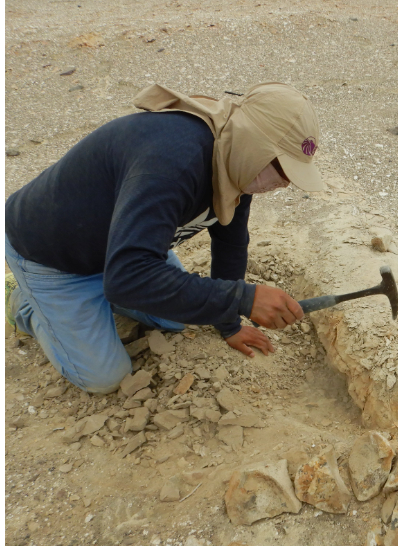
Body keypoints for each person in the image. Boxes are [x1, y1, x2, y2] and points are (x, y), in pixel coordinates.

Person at [5, 82, 325, 394]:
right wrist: (243, 298)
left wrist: (228, 321)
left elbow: (230, 243)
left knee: (175, 318)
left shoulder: (235, 164)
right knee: (106, 377)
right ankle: (26, 305)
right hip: (51, 257)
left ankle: (106, 294)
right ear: (253, 145)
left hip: (123, 247)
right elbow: (128, 278)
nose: (285, 184)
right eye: (282, 169)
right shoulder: (173, 159)